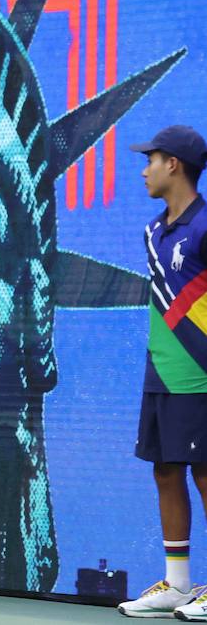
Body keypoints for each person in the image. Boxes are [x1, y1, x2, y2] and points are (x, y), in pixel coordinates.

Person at [114, 127, 207, 617]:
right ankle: (178, 584)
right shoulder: (153, 232)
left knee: (206, 474)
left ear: (174, 164)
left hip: (200, 375)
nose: (144, 168)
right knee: (166, 470)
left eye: (150, 159)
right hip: (162, 375)